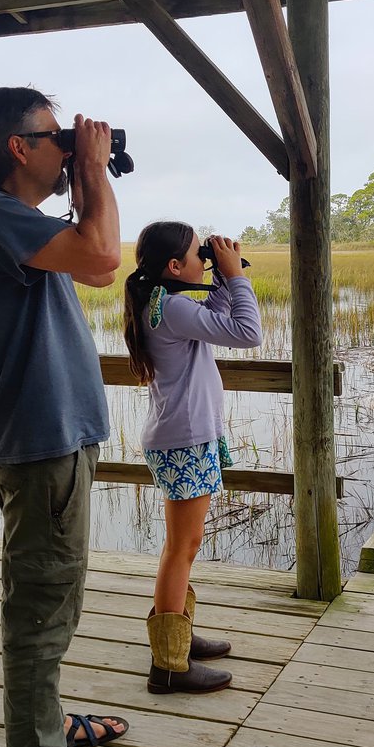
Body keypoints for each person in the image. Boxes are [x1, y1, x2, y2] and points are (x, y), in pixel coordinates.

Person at [0, 87, 135, 747]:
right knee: (39, 609)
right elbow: (103, 256)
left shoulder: (20, 223)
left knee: (58, 596)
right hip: (40, 446)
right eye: (53, 136)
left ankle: (46, 720)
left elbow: (91, 255)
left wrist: (86, 169)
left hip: (58, 441)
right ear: (17, 148)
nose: (65, 145)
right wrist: (92, 169)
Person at [123, 221, 262, 693]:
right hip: (183, 440)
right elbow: (246, 332)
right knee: (181, 549)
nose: (204, 259)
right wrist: (236, 278)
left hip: (182, 437)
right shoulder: (174, 307)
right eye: (197, 255)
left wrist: (221, 278)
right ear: (174, 267)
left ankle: (178, 635)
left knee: (184, 545)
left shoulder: (166, 305)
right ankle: (168, 665)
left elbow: (216, 321)